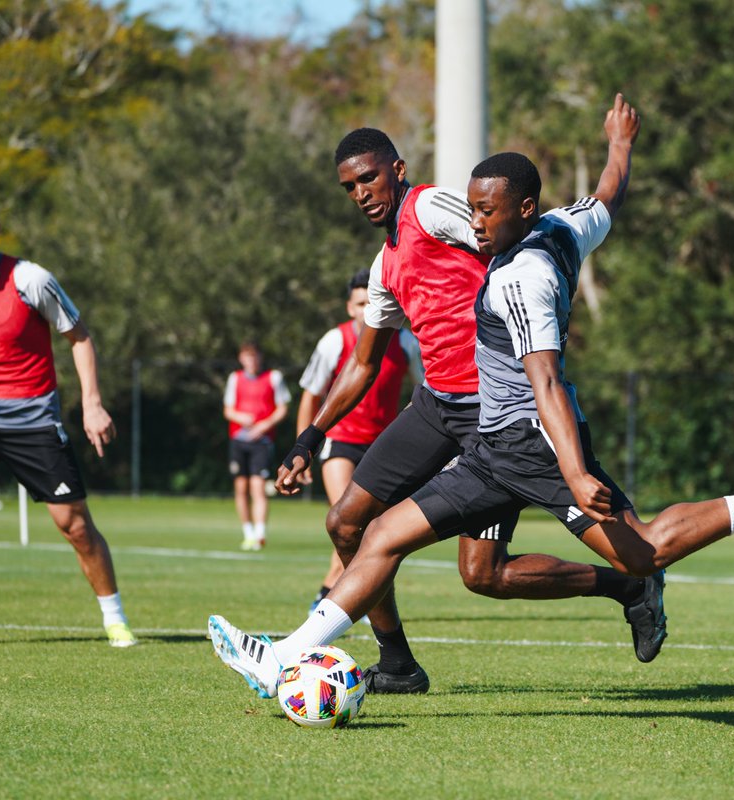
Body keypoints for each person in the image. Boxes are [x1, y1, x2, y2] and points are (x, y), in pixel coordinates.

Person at [208, 94, 734, 698]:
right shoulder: (560, 228)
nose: (471, 222)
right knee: (377, 534)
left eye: (484, 211)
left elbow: (546, 380)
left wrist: (577, 471)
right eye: (471, 208)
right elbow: (606, 199)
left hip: (531, 440)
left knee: (641, 551)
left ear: (520, 209)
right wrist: (620, 146)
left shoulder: (513, 276)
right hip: (484, 439)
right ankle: (286, 658)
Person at [214, 117, 666, 696]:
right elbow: (361, 364)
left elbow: (503, 233)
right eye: (349, 188)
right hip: (437, 407)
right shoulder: (384, 266)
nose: (361, 194)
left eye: (369, 179)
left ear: (397, 171)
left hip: (496, 414)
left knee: (484, 574)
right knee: (346, 522)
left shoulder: (432, 210)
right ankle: (398, 664)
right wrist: (310, 437)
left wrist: (544, 298)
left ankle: (630, 587)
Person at [0, 190, 137, 647]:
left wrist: (91, 404)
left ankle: (115, 620)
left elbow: (80, 338)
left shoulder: (31, 279)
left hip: (33, 422)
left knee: (74, 525)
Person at [297, 268, 421, 609]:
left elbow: (425, 389)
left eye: (373, 302)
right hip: (341, 443)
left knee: (370, 531)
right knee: (350, 523)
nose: (367, 309)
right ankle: (331, 600)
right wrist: (301, 448)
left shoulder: (406, 342)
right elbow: (310, 395)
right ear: (349, 307)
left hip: (384, 448)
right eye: (360, 303)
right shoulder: (334, 341)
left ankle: (341, 599)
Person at [223, 341, 290, 551]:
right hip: (239, 440)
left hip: (261, 441)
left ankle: (260, 533)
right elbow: (228, 410)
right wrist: (241, 417)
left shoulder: (273, 377)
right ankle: (248, 533)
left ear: (260, 358)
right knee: (241, 488)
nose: (251, 361)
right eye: (247, 357)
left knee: (258, 487)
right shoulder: (235, 379)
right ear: (241, 359)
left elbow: (282, 408)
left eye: (255, 356)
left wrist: (264, 425)